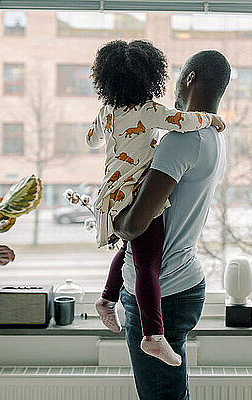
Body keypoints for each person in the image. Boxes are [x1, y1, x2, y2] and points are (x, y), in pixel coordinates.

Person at [86, 40, 226, 367]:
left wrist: (114, 223)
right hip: (174, 269)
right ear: (151, 78)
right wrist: (210, 119)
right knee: (142, 258)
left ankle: (122, 312)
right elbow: (183, 121)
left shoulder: (108, 112)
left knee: (130, 251)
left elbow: (91, 139)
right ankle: (149, 332)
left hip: (114, 193)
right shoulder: (162, 118)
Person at [113, 49, 231, 400]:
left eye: (180, 76)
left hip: (163, 292)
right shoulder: (214, 137)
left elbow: (134, 226)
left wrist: (106, 215)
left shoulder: (181, 140)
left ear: (190, 78)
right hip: (183, 282)